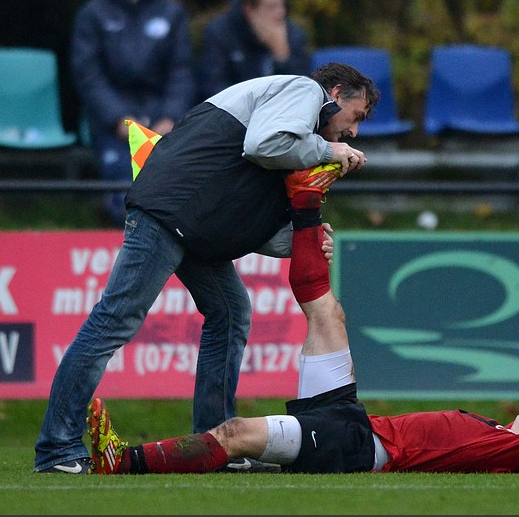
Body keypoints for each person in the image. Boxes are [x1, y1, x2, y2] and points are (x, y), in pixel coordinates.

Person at [85, 170, 519, 476]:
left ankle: (122, 463)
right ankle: (306, 200)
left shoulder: (510, 451)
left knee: (236, 434)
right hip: (353, 420)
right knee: (326, 310)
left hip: (355, 446)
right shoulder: (497, 436)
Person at [33, 62, 379, 475]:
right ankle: (56, 449)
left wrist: (304, 238)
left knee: (231, 314)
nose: (353, 133)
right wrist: (328, 151)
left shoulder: (296, 134)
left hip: (192, 223)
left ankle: (215, 445)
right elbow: (264, 145)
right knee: (114, 321)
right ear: (335, 94)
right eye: (355, 117)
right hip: (168, 213)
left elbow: (252, 218)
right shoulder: (304, 92)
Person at [71, 0, 197, 226]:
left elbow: (182, 71)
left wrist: (170, 116)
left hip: (162, 117)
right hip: (114, 123)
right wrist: (118, 119)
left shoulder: (172, 13)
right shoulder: (94, 14)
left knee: (176, 187)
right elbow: (88, 75)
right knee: (123, 191)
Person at [199, 0, 312, 98]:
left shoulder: (293, 35)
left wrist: (282, 59)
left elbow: (304, 91)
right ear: (250, 11)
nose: (281, 13)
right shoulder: (221, 33)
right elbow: (214, 86)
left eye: (282, 5)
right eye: (272, 7)